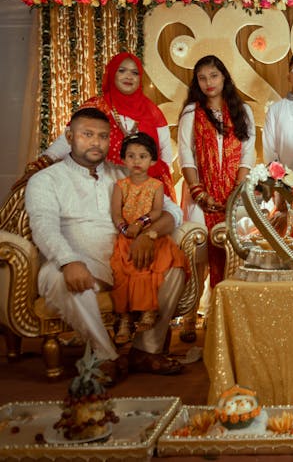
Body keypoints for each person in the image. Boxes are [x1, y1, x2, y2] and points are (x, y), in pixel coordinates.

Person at [25, 108, 185, 380]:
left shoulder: (123, 174)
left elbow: (173, 212)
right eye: (87, 135)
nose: (96, 142)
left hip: (127, 264)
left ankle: (145, 350)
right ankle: (104, 354)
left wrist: (150, 235)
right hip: (76, 261)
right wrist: (68, 260)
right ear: (69, 136)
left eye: (102, 136)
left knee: (175, 267)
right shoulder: (46, 180)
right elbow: (43, 226)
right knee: (62, 278)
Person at [177, 55, 256, 340]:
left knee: (233, 254)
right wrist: (198, 191)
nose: (208, 83)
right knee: (197, 257)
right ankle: (189, 315)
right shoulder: (191, 113)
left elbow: (247, 153)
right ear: (196, 82)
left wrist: (237, 190)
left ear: (224, 77)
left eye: (213, 76)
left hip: (234, 196)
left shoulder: (242, 111)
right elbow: (186, 154)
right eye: (202, 78)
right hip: (201, 194)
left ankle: (223, 316)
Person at [35, 52, 176, 199]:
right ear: (112, 74)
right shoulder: (97, 106)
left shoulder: (151, 111)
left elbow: (165, 149)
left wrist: (156, 181)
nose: (128, 76)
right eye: (122, 71)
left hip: (145, 189)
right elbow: (72, 137)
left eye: (135, 73)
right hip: (101, 185)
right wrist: (44, 160)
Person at [110, 133, 190, 345]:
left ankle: (148, 310)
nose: (137, 161)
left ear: (152, 161)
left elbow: (156, 211)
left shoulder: (156, 186)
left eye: (143, 156)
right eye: (131, 156)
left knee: (154, 265)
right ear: (123, 159)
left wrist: (141, 224)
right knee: (123, 271)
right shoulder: (120, 185)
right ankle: (125, 320)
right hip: (126, 236)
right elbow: (116, 213)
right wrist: (125, 228)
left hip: (145, 231)